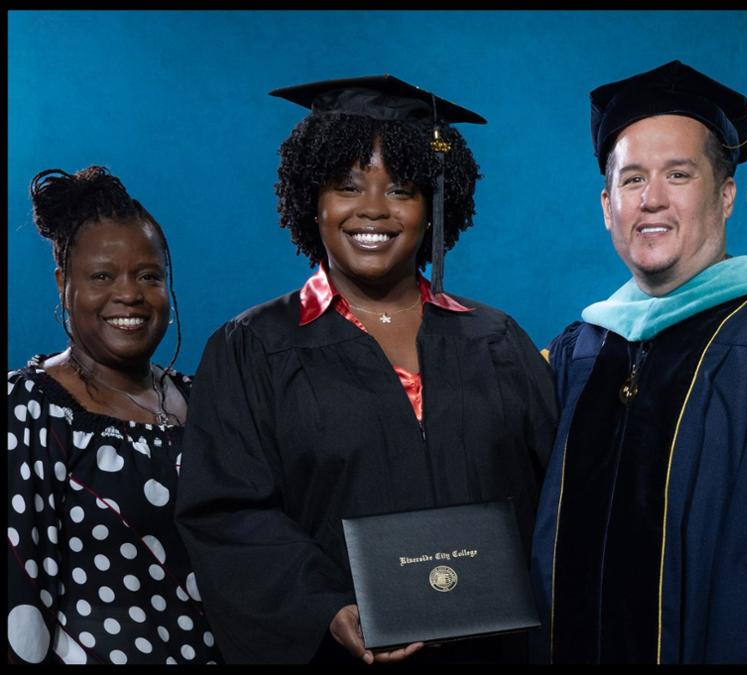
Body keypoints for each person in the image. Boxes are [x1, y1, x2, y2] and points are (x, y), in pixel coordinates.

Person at [173, 75, 556, 665]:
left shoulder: (497, 340)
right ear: (313, 203)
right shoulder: (253, 348)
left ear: (433, 208)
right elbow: (227, 515)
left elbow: (555, 505)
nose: (373, 209)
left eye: (401, 189)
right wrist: (323, 608)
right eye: (347, 186)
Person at [529, 60, 747, 664]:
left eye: (679, 175)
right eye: (631, 180)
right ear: (607, 205)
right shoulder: (578, 349)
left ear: (726, 195)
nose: (651, 200)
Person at [8, 166, 220, 664]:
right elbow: (17, 588)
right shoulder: (31, 408)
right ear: (64, 283)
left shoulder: (208, 402)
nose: (129, 295)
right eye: (102, 276)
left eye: (149, 276)